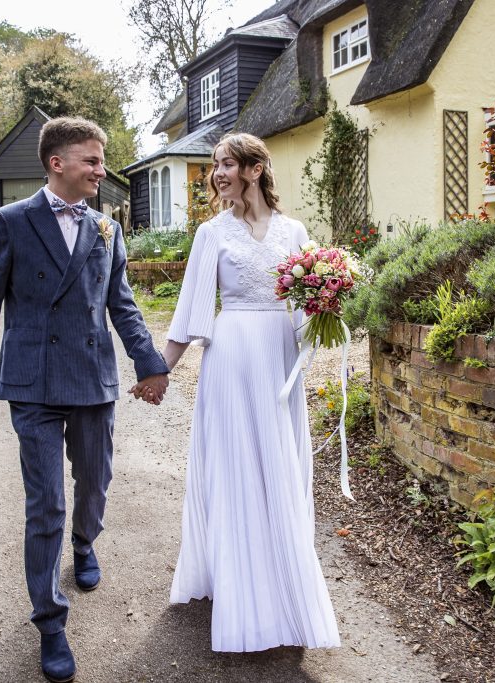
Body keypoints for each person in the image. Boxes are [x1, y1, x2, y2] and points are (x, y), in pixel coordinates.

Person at [0, 116, 169, 683]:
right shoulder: (10, 222)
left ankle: (86, 543)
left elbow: (121, 306)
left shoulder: (107, 229)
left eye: (101, 161)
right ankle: (51, 622)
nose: (102, 171)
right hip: (33, 384)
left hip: (92, 378)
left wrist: (150, 364)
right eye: (93, 161)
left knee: (96, 481)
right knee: (45, 501)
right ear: (58, 164)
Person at [156, 132, 341, 652]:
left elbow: (307, 311)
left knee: (278, 464)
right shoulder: (211, 234)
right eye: (215, 165)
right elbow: (191, 312)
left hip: (280, 360)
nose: (218, 174)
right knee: (238, 465)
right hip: (233, 355)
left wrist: (329, 313)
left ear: (255, 170)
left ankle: (284, 580)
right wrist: (158, 371)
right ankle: (240, 585)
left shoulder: (294, 230)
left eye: (227, 164)